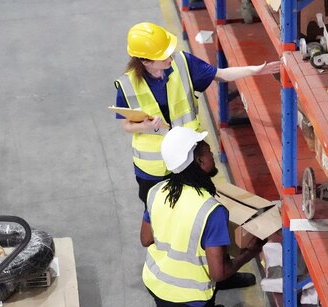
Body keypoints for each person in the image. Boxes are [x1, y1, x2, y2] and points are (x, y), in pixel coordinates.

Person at [106, 126, 266, 307]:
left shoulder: (157, 191)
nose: (211, 152)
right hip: (183, 298)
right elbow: (218, 273)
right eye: (207, 150)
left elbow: (146, 239)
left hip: (156, 282)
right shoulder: (210, 210)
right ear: (199, 161)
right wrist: (249, 253)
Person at [114, 22, 281, 206]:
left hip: (188, 160)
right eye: (164, 56)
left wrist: (254, 70)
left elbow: (221, 74)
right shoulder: (127, 84)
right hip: (154, 169)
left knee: (195, 207)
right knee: (156, 211)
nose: (170, 57)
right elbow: (126, 125)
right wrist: (145, 126)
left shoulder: (182, 63)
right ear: (145, 61)